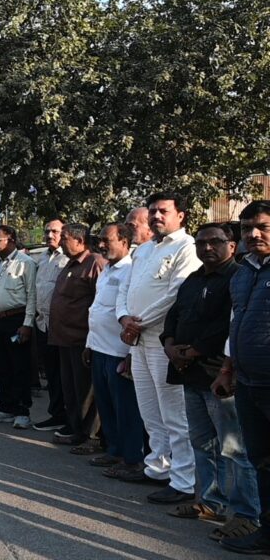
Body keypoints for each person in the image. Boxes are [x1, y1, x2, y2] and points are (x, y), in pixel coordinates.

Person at [160, 223, 260, 541]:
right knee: (203, 443)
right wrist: (169, 344)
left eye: (215, 241)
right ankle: (210, 502)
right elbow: (174, 315)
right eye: (201, 243)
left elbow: (227, 324)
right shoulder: (194, 279)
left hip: (218, 374)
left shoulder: (238, 278)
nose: (207, 248)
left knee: (235, 449)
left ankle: (247, 515)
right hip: (189, 373)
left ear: (231, 245)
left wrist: (194, 350)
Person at [116, 191, 201, 504]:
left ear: (181, 215)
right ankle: (157, 468)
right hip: (137, 340)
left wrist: (139, 323)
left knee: (174, 415)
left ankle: (183, 481)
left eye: (163, 211)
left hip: (163, 341)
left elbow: (176, 294)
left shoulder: (187, 247)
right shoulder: (144, 249)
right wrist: (123, 317)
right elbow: (125, 288)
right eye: (152, 211)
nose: (156, 216)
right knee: (150, 411)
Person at [217, 200, 270, 555]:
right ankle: (267, 532)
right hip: (249, 384)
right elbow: (236, 322)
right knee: (262, 460)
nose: (253, 234)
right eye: (247, 227)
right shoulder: (244, 272)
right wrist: (228, 368)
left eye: (263, 227)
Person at [86, 223, 147, 479]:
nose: (101, 245)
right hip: (99, 348)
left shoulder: (131, 270)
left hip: (119, 352)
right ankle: (114, 450)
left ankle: (132, 459)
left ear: (124, 241)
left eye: (107, 240)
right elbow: (98, 308)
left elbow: (132, 313)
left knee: (126, 410)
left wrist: (130, 354)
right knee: (107, 406)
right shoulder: (107, 269)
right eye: (100, 240)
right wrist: (89, 344)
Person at [48, 224, 106, 449]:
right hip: (64, 338)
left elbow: (100, 301)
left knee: (86, 391)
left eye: (64, 238)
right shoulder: (70, 264)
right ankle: (75, 428)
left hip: (82, 339)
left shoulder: (94, 263)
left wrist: (92, 339)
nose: (60, 242)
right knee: (70, 388)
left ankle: (90, 436)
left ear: (80, 241)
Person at [0, 225, 38, 429]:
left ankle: (22, 411)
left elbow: (32, 295)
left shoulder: (26, 262)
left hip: (16, 320)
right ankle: (5, 408)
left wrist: (27, 324)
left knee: (19, 367)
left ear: (11, 239)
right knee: (1, 367)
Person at [32, 218, 70, 433]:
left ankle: (70, 417)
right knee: (52, 373)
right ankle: (56, 414)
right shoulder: (42, 258)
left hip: (62, 325)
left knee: (66, 375)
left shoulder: (69, 258)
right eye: (47, 231)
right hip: (43, 323)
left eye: (55, 231)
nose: (49, 235)